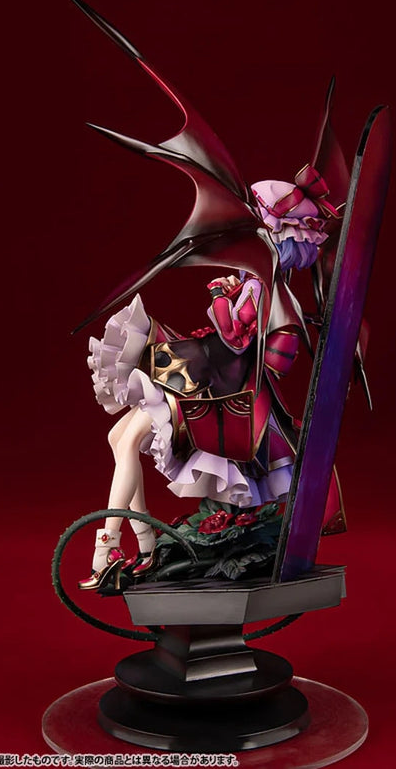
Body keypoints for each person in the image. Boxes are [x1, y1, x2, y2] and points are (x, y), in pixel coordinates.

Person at [78, 179, 330, 591]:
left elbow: (234, 336)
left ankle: (106, 549)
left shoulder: (263, 284)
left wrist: (218, 293)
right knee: (117, 437)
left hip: (209, 378)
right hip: (203, 364)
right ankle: (144, 546)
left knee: (126, 442)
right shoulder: (260, 280)